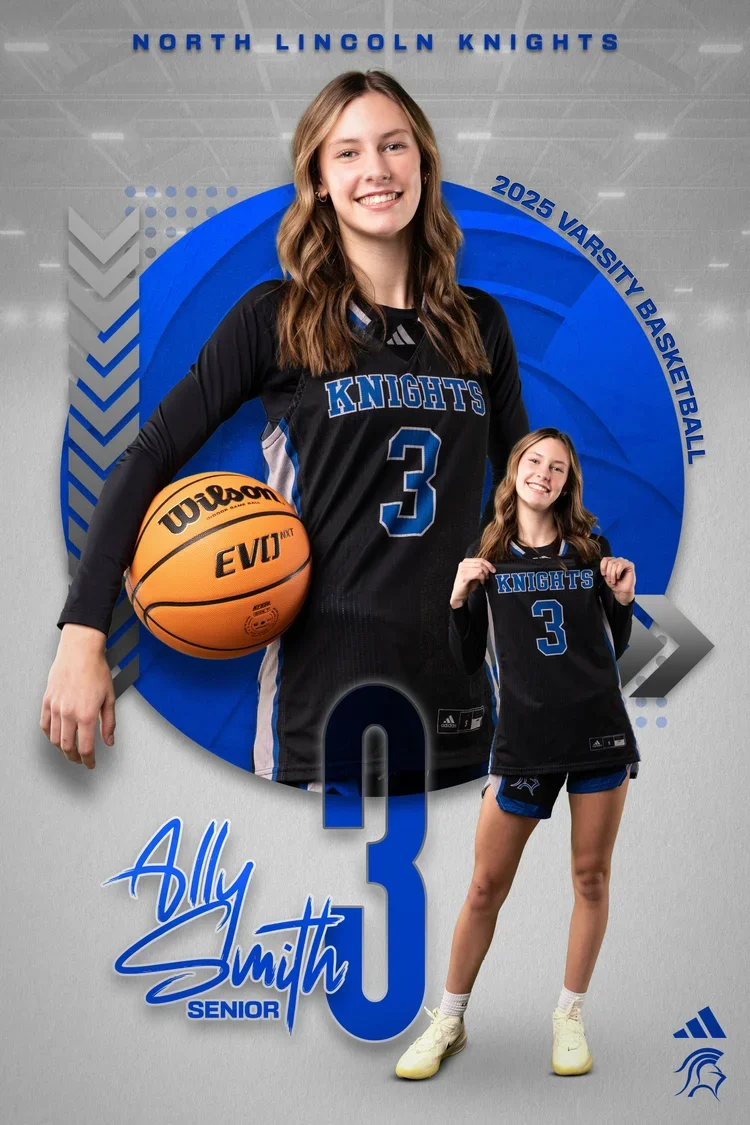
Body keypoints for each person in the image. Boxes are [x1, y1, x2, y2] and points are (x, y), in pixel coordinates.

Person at [40, 69, 529, 792]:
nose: (377, 170)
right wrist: (83, 631)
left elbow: (523, 499)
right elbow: (150, 455)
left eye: (395, 146)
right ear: (320, 182)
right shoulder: (278, 317)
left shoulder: (478, 322)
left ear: (423, 162)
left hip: (460, 706)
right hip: (320, 710)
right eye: (349, 153)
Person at [395, 427, 638, 1078]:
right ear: (516, 470)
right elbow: (467, 657)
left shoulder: (589, 548)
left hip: (597, 732)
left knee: (590, 877)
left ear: (568, 481)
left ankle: (569, 1013)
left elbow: (611, 644)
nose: (545, 473)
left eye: (559, 466)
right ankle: (449, 1019)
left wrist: (620, 601)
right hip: (525, 739)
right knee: (483, 887)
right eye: (536, 461)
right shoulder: (489, 551)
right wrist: (457, 596)